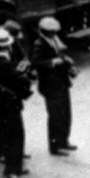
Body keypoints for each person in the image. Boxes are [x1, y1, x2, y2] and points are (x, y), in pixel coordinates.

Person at [0, 29, 33, 178]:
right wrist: (23, 74)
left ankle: (13, 166)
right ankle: (13, 170)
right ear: (5, 48)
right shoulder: (5, 64)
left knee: (5, 134)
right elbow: (18, 81)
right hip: (10, 105)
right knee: (16, 136)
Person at [32, 18, 76, 155]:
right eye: (51, 32)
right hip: (50, 85)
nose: (54, 34)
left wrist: (67, 62)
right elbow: (36, 63)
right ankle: (55, 146)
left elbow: (61, 54)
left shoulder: (55, 41)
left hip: (61, 82)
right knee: (55, 116)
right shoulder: (39, 44)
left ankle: (64, 140)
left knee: (65, 114)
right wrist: (53, 62)